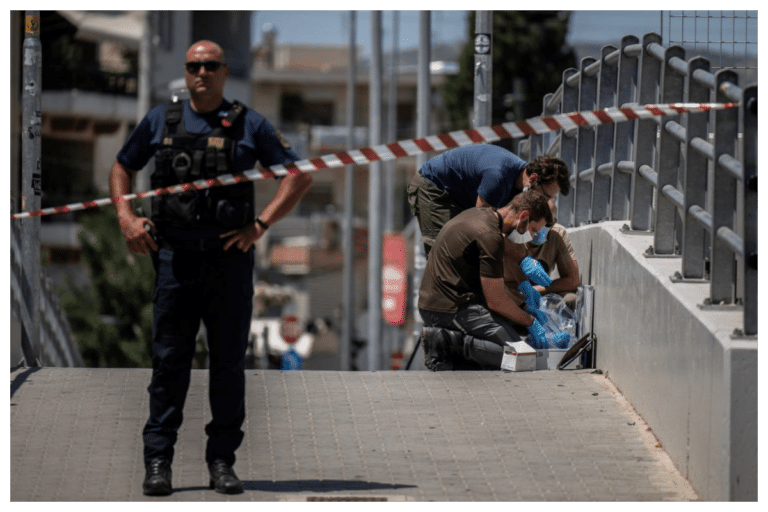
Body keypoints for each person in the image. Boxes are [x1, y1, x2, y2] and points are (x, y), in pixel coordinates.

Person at [109, 40, 312, 496]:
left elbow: (299, 175)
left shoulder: (248, 124)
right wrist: (126, 219)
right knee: (168, 365)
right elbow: (121, 168)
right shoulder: (161, 120)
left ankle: (222, 462)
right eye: (194, 66)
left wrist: (260, 225)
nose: (201, 73)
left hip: (228, 264)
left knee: (227, 368)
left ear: (224, 72)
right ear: (186, 71)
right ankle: (157, 461)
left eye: (210, 66)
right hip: (174, 261)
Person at [417, 190, 553, 371]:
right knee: (522, 358)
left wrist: (523, 309)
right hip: (447, 308)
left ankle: (461, 348)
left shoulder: (480, 214)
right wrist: (530, 321)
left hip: (447, 300)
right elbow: (496, 301)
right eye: (533, 230)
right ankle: (447, 342)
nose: (530, 236)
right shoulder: (490, 236)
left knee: (514, 333)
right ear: (524, 216)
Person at [407, 144, 570, 256]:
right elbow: (480, 223)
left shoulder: (519, 183)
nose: (544, 201)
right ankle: (439, 304)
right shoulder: (498, 178)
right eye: (546, 195)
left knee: (469, 251)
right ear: (534, 179)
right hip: (434, 187)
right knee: (446, 251)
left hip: (460, 197)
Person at [504, 202, 580, 311]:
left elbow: (572, 280)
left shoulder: (557, 234)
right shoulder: (509, 235)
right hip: (509, 295)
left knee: (570, 299)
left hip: (538, 294)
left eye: (548, 224)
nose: (541, 229)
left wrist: (536, 289)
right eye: (537, 225)